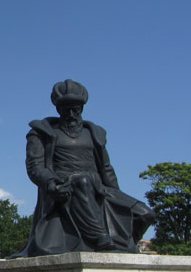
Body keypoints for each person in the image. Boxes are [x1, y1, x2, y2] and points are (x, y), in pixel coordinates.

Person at [12, 79, 154, 257]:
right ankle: (99, 237)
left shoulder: (94, 133)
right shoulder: (41, 132)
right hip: (65, 186)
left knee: (146, 214)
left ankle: (125, 246)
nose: (71, 114)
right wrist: (51, 182)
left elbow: (106, 168)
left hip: (98, 188)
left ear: (82, 109)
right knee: (82, 181)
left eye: (76, 110)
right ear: (58, 109)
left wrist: (118, 196)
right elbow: (35, 167)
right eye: (66, 110)